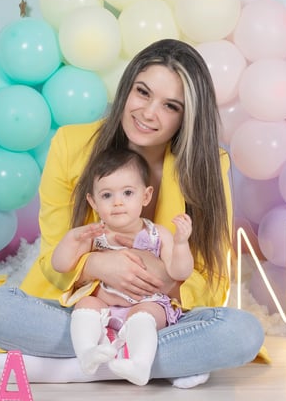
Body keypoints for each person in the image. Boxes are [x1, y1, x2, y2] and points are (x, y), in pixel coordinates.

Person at [0, 38, 265, 388]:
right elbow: (53, 253)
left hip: (160, 317)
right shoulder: (70, 144)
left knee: (243, 333)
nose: (148, 113)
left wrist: (167, 280)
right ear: (127, 87)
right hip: (83, 309)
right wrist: (95, 265)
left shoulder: (208, 164)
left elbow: (212, 277)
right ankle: (146, 361)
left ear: (187, 117)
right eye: (142, 92)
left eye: (170, 106)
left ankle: (73, 366)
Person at [51, 147, 194, 386]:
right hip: (105, 306)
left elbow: (179, 273)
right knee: (85, 304)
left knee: (146, 313)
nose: (117, 203)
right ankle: (87, 353)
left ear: (145, 196)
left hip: (146, 303)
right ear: (93, 202)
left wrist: (180, 244)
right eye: (107, 195)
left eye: (128, 193)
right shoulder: (94, 234)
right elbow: (61, 265)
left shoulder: (157, 233)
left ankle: (140, 364)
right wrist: (72, 239)